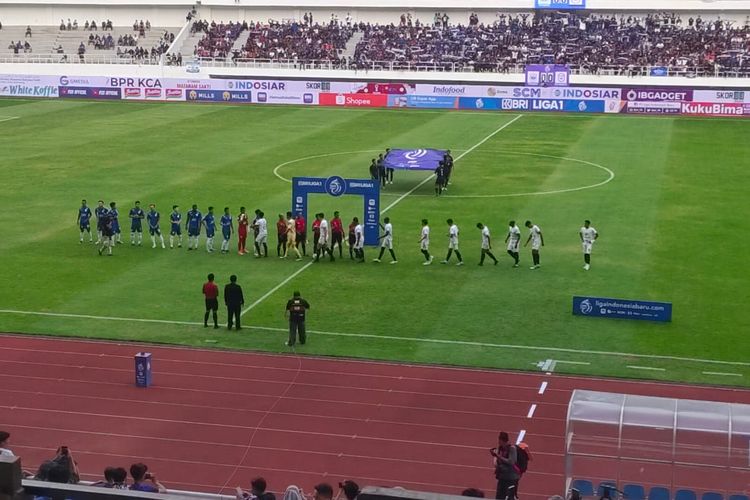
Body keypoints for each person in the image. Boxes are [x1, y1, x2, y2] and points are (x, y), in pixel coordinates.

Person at [491, 431, 519, 500]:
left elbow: (511, 462)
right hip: (502, 477)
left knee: (510, 497)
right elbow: (498, 462)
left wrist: (498, 456)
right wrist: (495, 455)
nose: (498, 442)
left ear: (502, 440)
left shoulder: (512, 448)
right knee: (499, 497)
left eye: (499, 440)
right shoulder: (500, 448)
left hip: (511, 478)